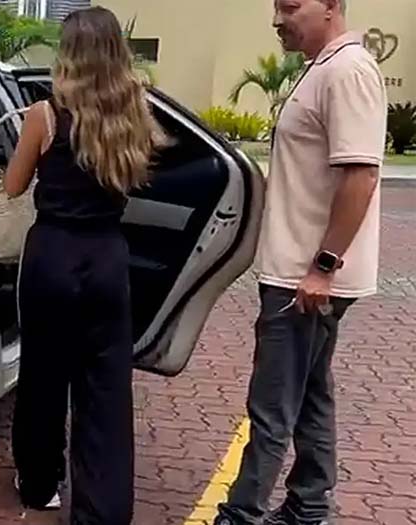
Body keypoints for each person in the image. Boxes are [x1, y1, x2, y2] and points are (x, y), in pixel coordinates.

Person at [216, 0, 386, 524]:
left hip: (306, 278)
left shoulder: (347, 71)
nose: (278, 19)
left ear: (331, 6)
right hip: (302, 273)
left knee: (272, 405)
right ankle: (308, 507)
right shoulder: (324, 68)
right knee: (311, 395)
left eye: (290, 6)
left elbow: (361, 176)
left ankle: (241, 514)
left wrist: (322, 267)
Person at [1, 6, 167, 524]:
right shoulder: (135, 112)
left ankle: (39, 484)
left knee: (43, 374)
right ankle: (104, 508)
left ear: (69, 52)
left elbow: (12, 187)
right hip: (107, 257)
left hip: (52, 254)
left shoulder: (44, 115)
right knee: (106, 387)